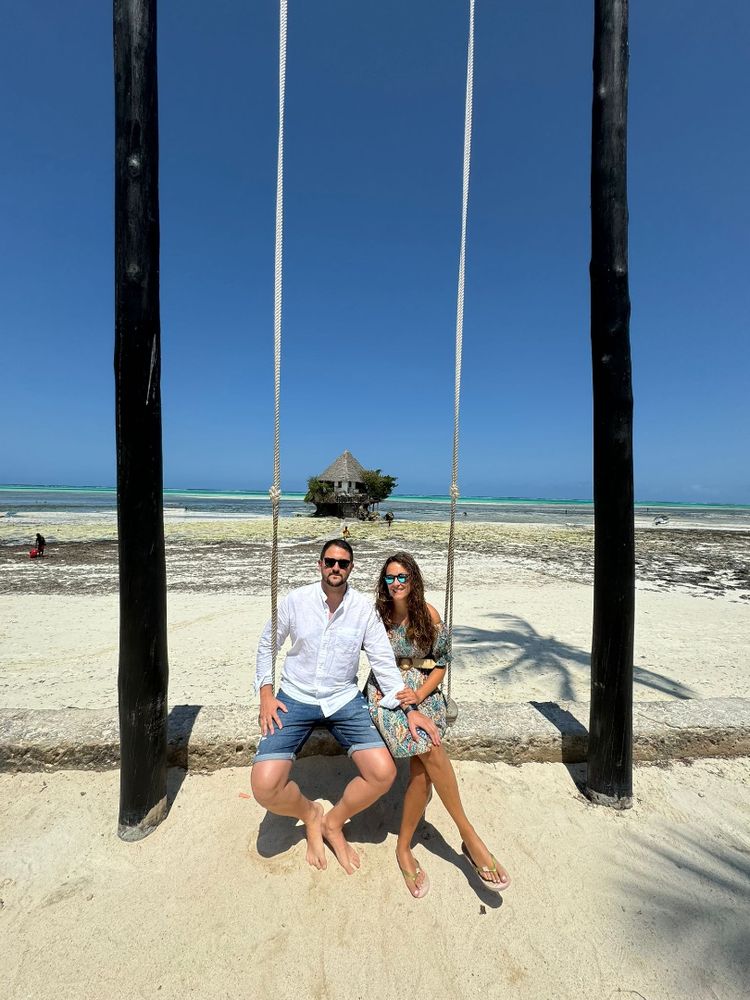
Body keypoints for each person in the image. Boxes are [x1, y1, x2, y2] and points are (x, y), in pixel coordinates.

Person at [251, 538, 441, 874]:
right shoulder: (296, 601)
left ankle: (333, 822)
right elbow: (268, 646)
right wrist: (266, 693)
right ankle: (310, 814)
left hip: (342, 697)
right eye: (330, 562)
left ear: (351, 568)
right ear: (320, 564)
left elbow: (383, 662)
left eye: (342, 563)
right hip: (295, 695)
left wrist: (411, 710)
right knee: (264, 787)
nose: (335, 568)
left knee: (383, 773)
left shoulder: (363, 610)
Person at [368, 550, 510, 898]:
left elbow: (442, 663)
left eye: (402, 576)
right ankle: (469, 836)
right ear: (384, 583)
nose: (396, 583)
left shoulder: (427, 614)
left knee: (422, 768)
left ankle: (404, 848)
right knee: (430, 747)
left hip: (424, 691)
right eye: (390, 577)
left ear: (413, 580)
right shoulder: (378, 616)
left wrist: (421, 695)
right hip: (386, 691)